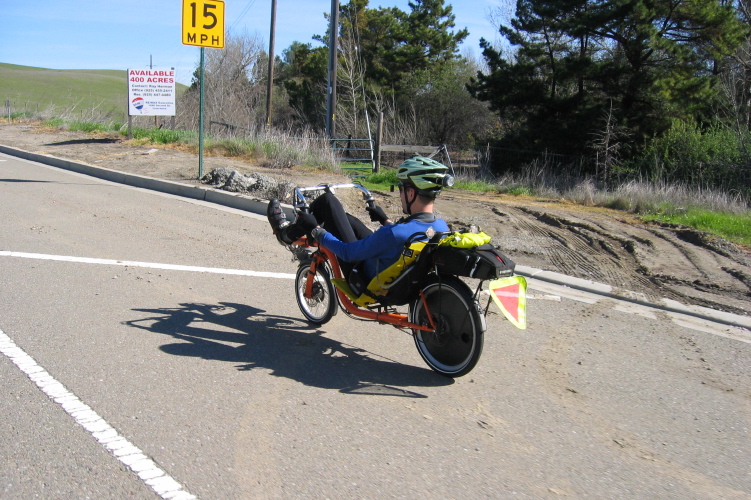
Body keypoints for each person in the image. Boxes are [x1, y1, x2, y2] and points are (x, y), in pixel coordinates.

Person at [266, 156, 452, 283]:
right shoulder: (441, 227)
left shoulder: (395, 233)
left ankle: (286, 234)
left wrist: (317, 231)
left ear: (411, 193)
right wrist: (384, 220)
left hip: (362, 275)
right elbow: (406, 235)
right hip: (391, 270)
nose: (400, 194)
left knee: (327, 202)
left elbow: (347, 253)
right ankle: (298, 231)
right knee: (344, 218)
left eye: (401, 189)